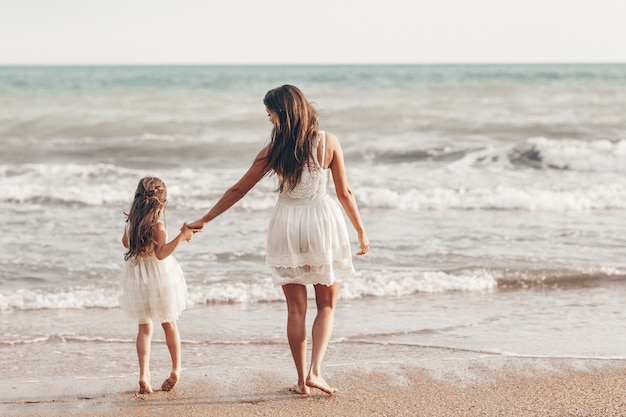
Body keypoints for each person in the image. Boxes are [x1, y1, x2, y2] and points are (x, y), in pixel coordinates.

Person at [188, 85, 369, 395]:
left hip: (286, 225)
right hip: (322, 223)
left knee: (296, 309)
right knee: (326, 305)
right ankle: (316, 372)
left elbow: (237, 190)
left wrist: (205, 218)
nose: (268, 120)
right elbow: (344, 193)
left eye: (270, 114)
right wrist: (360, 230)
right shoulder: (328, 142)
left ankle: (301, 381)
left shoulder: (274, 150)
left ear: (283, 114)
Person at [119, 176, 196, 394]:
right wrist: (182, 236)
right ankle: (176, 369)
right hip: (160, 277)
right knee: (169, 323)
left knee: (144, 328)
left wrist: (131, 224)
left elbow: (125, 243)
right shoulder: (159, 226)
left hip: (137, 277)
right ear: (161, 203)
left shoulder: (131, 224)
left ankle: (144, 375)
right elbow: (161, 254)